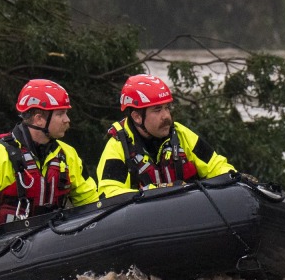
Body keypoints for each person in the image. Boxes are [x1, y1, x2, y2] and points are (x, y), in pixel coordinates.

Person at [0, 79, 99, 235]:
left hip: (51, 240)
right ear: (39, 118)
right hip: (0, 244)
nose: (67, 120)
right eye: (60, 114)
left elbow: (90, 199)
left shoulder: (68, 155)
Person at [96, 74, 234, 199]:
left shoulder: (181, 134)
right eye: (157, 110)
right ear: (137, 117)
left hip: (189, 213)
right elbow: (110, 194)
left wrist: (233, 177)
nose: (166, 116)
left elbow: (216, 166)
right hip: (144, 221)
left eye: (167, 108)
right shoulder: (118, 147)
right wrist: (156, 191)